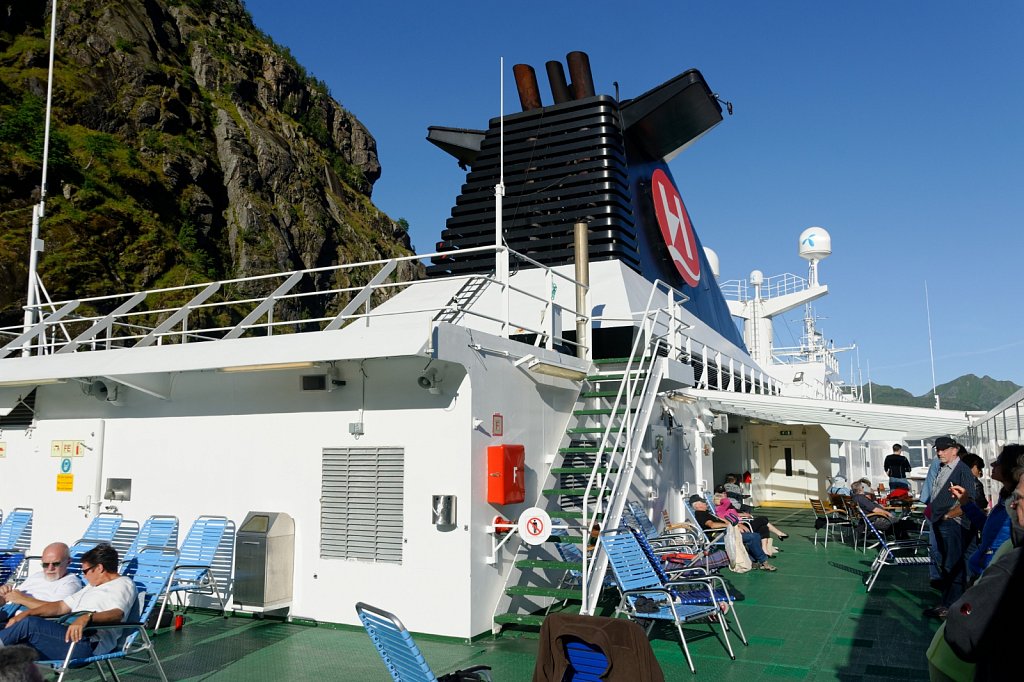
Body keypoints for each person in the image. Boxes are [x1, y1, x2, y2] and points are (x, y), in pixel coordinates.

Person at [942, 451, 1024, 681]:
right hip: (981, 572)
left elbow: (962, 629)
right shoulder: (1004, 501)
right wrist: (965, 502)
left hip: (989, 578)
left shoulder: (1011, 563)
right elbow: (986, 528)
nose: (992, 464)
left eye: (998, 461)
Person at [0, 544, 136, 661]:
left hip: (87, 643)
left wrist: (86, 618)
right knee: (13, 630)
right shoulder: (91, 587)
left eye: (85, 571)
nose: (84, 575)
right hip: (66, 636)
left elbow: (117, 614)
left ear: (99, 568)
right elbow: (60, 606)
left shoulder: (122, 584)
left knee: (29, 624)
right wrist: (26, 613)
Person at [923, 436, 977, 619]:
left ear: (955, 450)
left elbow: (970, 500)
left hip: (953, 525)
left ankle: (951, 606)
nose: (939, 452)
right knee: (946, 563)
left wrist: (948, 515)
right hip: (941, 522)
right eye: (937, 449)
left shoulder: (963, 470)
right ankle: (946, 603)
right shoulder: (942, 468)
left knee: (953, 565)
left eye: (944, 449)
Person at [689, 494, 777, 571]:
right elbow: (712, 525)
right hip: (719, 536)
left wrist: (737, 525)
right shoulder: (700, 514)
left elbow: (724, 521)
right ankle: (763, 562)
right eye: (703, 502)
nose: (705, 503)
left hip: (727, 533)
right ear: (698, 506)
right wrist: (731, 526)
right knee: (753, 537)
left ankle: (752, 560)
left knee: (756, 535)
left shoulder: (707, 512)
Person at [0, 543, 81, 624]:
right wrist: (3, 595)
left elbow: (56, 610)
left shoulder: (70, 583)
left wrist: (21, 599)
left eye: (56, 564)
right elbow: (14, 597)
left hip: (26, 621)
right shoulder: (37, 575)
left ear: (68, 562)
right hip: (8, 611)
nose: (50, 568)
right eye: (45, 564)